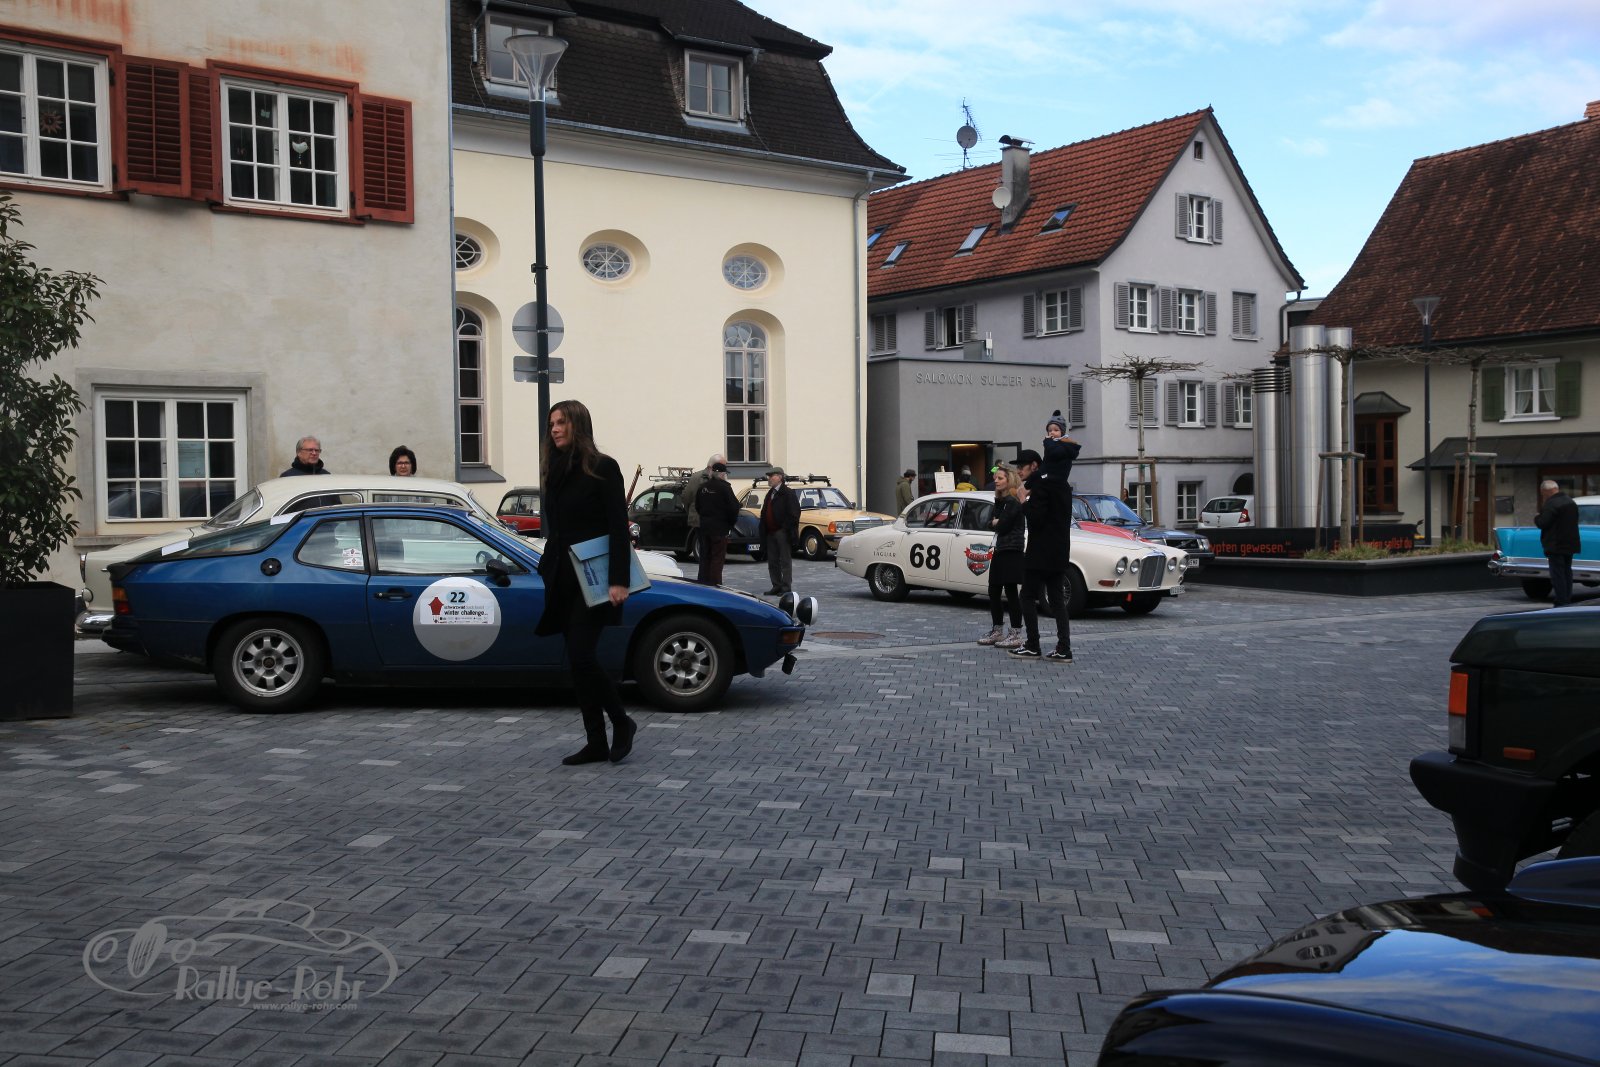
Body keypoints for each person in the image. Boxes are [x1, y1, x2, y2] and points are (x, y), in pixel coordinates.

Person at [533, 400, 638, 765]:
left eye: (561, 422)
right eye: (552, 423)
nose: (554, 429)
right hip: (562, 576)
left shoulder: (604, 467)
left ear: (578, 425)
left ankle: (621, 722)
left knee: (582, 655)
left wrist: (619, 580)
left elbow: (617, 527)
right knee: (578, 663)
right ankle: (596, 741)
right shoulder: (555, 468)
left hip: (594, 578)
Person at [1011, 410, 1081, 661]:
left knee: (1027, 596)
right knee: (1057, 600)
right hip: (1060, 550)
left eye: (1021, 467)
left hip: (1040, 551)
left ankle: (1032, 644)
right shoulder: (1063, 485)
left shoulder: (1043, 484)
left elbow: (1036, 518)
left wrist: (1023, 500)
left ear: (1035, 466)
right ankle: (1064, 647)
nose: (1019, 471)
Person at [978, 462, 1025, 649]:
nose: (996, 481)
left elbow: (1003, 525)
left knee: (1011, 592)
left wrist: (997, 522)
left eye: (1000, 478)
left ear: (1009, 480)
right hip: (999, 548)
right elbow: (989, 523)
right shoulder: (1000, 500)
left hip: (1011, 549)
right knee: (994, 590)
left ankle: (1016, 633)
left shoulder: (1013, 501)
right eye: (995, 478)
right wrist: (996, 521)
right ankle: (997, 630)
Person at [1536, 479, 1581, 607]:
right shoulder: (1570, 502)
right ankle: (1567, 598)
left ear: (1545, 491)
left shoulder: (1551, 504)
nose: (1543, 496)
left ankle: (1561, 601)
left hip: (1555, 545)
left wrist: (1537, 517)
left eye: (1542, 493)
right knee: (1567, 572)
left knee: (1557, 574)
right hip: (1570, 544)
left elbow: (1542, 522)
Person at [694, 462, 740, 586]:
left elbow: (697, 506)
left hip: (704, 527)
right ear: (722, 474)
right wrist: (729, 524)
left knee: (705, 557)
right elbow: (734, 508)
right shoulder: (725, 488)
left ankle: (703, 583)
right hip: (719, 529)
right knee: (717, 558)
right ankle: (715, 585)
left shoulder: (702, 488)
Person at [759, 466, 801, 596]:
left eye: (772, 476)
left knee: (785, 561)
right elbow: (765, 512)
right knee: (772, 561)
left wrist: (784, 528)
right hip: (770, 532)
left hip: (782, 532)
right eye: (769, 476)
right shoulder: (770, 493)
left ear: (780, 477)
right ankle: (776, 585)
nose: (769, 479)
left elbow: (794, 513)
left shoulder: (787, 493)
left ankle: (786, 587)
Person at [680, 453, 725, 559]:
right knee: (708, 552)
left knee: (709, 552)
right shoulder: (698, 477)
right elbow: (686, 498)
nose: (724, 469)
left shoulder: (720, 477)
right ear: (710, 467)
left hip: (711, 521)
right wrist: (693, 511)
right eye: (721, 466)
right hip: (702, 520)